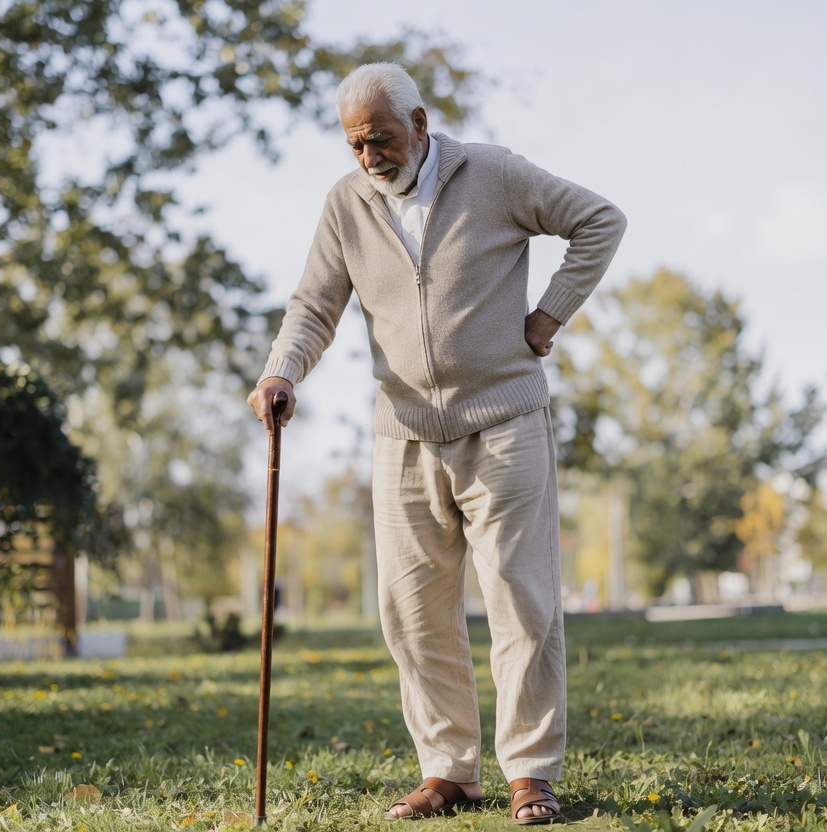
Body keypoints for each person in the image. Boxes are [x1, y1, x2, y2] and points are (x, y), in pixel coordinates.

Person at [247, 62, 626, 824]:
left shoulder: (491, 174)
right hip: (405, 434)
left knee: (522, 602)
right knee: (412, 611)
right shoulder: (347, 204)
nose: (369, 158)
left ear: (420, 125)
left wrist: (548, 316)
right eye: (355, 145)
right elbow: (314, 304)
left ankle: (530, 774)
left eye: (381, 139)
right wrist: (281, 371)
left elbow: (599, 221)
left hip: (505, 424)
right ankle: (448, 771)